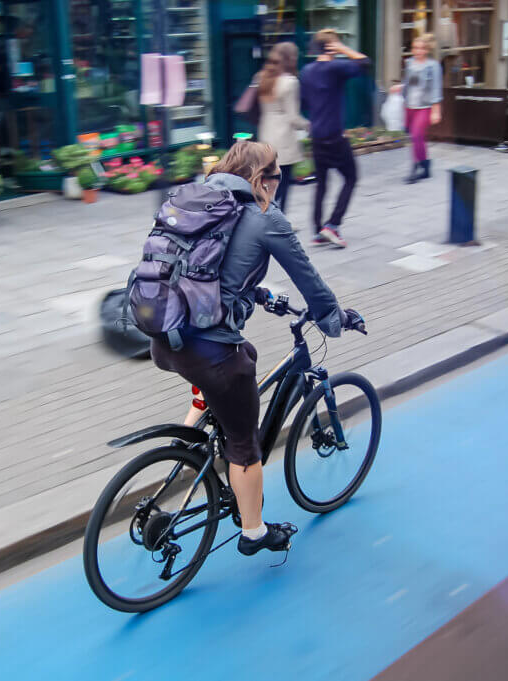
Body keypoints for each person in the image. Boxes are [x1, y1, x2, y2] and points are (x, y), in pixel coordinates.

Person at [150, 142, 361, 556]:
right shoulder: (265, 215)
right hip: (208, 350)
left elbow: (204, 269)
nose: (280, 183)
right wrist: (335, 319)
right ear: (259, 178)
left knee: (241, 362)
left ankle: (189, 447)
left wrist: (259, 292)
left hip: (163, 336)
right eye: (277, 175)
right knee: (243, 438)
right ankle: (253, 532)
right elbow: (310, 281)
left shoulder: (199, 199)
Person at [300, 29, 371, 249]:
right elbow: (366, 63)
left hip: (317, 136)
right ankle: (332, 225)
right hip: (334, 136)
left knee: (322, 184)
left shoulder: (306, 71)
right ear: (331, 47)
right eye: (336, 44)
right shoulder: (336, 67)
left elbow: (303, 103)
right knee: (351, 178)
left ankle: (317, 231)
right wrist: (344, 49)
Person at [256, 42, 309, 213]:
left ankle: (266, 218)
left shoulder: (262, 77)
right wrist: (308, 125)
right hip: (283, 139)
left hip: (265, 135)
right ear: (291, 59)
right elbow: (293, 117)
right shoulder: (290, 82)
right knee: (283, 185)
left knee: (268, 184)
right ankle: (279, 223)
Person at [392, 34, 442, 184]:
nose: (418, 51)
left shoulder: (433, 66)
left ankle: (415, 169)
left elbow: (436, 89)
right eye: (415, 48)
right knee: (416, 137)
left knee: (416, 135)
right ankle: (426, 165)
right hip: (409, 106)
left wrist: (436, 110)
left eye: (421, 48)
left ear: (427, 50)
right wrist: (400, 87)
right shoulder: (410, 63)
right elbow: (410, 83)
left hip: (425, 107)